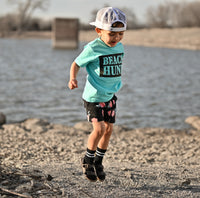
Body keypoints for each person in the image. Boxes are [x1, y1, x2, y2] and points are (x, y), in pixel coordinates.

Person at [68, 7, 127, 182]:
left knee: (108, 130)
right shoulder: (93, 48)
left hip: (110, 95)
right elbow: (76, 63)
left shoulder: (120, 46)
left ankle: (98, 161)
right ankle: (87, 160)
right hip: (93, 97)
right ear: (99, 31)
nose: (116, 38)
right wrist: (72, 79)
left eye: (120, 34)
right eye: (112, 34)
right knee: (99, 129)